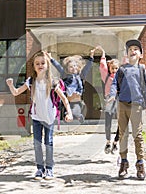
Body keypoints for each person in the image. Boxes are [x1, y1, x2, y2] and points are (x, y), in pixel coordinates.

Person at [6, 51, 73, 180]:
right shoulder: (31, 81)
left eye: (43, 63)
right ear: (34, 66)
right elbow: (16, 93)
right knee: (37, 144)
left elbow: (64, 99)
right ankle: (39, 169)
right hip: (36, 117)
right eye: (37, 63)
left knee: (49, 143)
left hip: (49, 117)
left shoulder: (53, 82)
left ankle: (49, 169)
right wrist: (10, 85)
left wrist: (69, 112)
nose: (40, 65)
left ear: (47, 65)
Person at [109, 39, 146, 180]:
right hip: (122, 105)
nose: (133, 51)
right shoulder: (122, 69)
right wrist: (111, 95)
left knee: (137, 135)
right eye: (130, 49)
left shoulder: (142, 69)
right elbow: (114, 84)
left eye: (136, 49)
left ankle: (140, 163)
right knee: (122, 134)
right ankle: (123, 162)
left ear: (140, 54)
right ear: (126, 54)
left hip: (137, 105)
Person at [46, 49, 95, 123]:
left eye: (75, 66)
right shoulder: (65, 75)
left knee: (75, 112)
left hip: (76, 101)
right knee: (67, 113)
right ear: (67, 69)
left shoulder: (81, 75)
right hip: (67, 101)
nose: (73, 68)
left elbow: (87, 67)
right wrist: (51, 58)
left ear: (78, 67)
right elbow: (58, 67)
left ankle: (79, 116)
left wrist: (91, 57)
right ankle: (67, 115)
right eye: (71, 67)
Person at [97, 45, 121, 154]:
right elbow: (102, 66)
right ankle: (108, 142)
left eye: (117, 68)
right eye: (113, 68)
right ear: (109, 68)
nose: (115, 70)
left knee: (122, 123)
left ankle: (115, 142)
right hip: (109, 101)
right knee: (108, 123)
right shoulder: (106, 76)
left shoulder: (121, 77)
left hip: (119, 100)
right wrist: (103, 53)